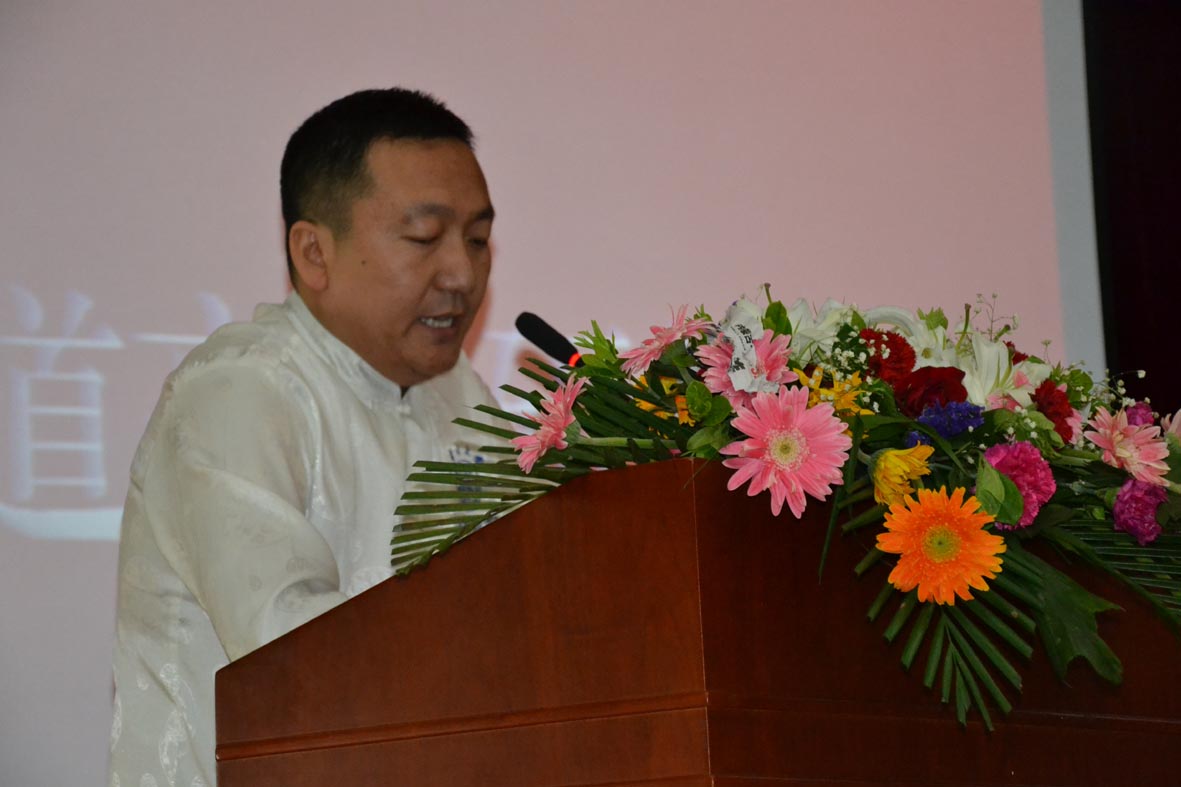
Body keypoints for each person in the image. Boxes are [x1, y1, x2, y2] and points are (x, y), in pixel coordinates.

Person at [108, 88, 500, 786]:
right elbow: (295, 655)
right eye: (423, 238)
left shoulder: (459, 395)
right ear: (314, 252)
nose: (463, 274)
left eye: (476, 239)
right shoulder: (240, 390)